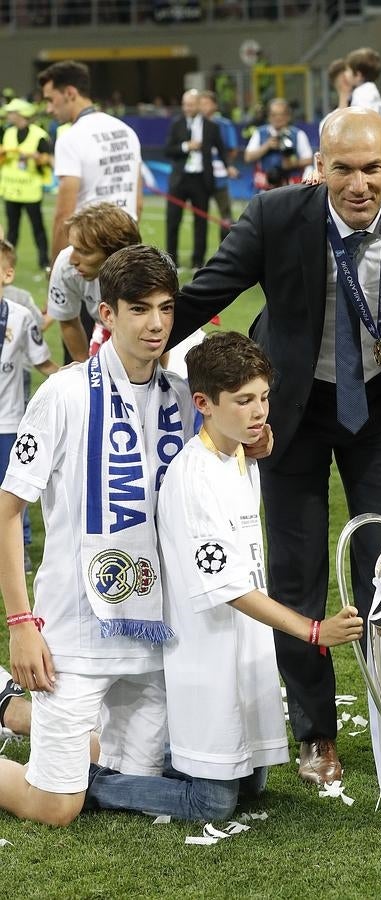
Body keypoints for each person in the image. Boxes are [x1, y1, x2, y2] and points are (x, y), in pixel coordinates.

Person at [169, 107, 381, 785]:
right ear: (318, 167)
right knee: (295, 571)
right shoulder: (275, 215)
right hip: (288, 415)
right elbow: (207, 291)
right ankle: (315, 734)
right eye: (343, 169)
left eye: (371, 169)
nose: (359, 185)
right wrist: (121, 346)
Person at [82, 331, 362, 821]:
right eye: (244, 401)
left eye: (264, 398)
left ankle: (172, 751)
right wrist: (314, 630)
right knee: (212, 803)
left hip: (241, 650)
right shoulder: (193, 480)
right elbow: (229, 587)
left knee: (251, 783)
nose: (259, 412)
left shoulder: (237, 451)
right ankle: (92, 784)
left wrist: (257, 442)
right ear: (203, 404)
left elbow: (256, 445)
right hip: (204, 652)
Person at [0, 244, 197, 826]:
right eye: (139, 309)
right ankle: (19, 702)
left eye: (165, 308)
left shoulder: (185, 396)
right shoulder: (61, 394)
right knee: (58, 806)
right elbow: (7, 511)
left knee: (136, 781)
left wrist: (255, 439)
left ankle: (12, 710)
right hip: (74, 632)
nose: (157, 323)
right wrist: (21, 625)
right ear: (106, 315)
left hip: (155, 634)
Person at [38, 60, 143, 261]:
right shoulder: (126, 132)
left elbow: (64, 214)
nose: (49, 109)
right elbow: (137, 203)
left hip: (87, 251)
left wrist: (56, 267)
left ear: (70, 93)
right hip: (126, 249)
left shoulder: (70, 138)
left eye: (50, 100)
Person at [0, 238, 58, 573]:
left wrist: (75, 372)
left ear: (7, 275)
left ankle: (19, 550)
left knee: (13, 490)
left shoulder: (21, 317)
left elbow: (43, 363)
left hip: (9, 424)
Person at [47, 201, 141, 362]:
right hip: (111, 330)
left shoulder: (145, 275)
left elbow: (158, 334)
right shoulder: (65, 265)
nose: (72, 259)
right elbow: (68, 319)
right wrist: (84, 370)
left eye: (85, 252)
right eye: (73, 247)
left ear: (115, 255)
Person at [164, 89, 228, 270]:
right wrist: (186, 146)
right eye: (185, 104)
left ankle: (197, 262)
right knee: (173, 220)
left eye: (190, 104)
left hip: (201, 180)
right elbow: (168, 150)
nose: (187, 108)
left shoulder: (211, 126)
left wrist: (228, 166)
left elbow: (221, 150)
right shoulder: (176, 124)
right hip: (179, 180)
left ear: (199, 105)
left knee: (201, 221)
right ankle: (171, 261)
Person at [0, 98, 51, 270]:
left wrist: (37, 157)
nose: (8, 115)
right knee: (12, 231)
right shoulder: (7, 133)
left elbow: (49, 160)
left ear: (20, 114)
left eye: (11, 112)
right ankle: (6, 262)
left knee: (38, 229)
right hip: (11, 190)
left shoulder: (39, 135)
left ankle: (44, 261)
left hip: (30, 191)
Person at [244, 97, 313, 192]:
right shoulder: (260, 133)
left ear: (288, 116)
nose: (278, 118)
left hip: (291, 187)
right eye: (274, 115)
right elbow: (248, 157)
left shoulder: (298, 134)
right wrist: (267, 146)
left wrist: (292, 164)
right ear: (268, 116)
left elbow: (309, 159)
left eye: (282, 115)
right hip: (265, 187)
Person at [197, 90, 239, 244]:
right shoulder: (195, 123)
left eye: (206, 103)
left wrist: (224, 163)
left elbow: (232, 149)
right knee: (200, 215)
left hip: (220, 176)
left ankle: (226, 248)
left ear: (214, 105)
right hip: (200, 176)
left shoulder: (224, 124)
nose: (203, 107)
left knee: (225, 216)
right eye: (200, 104)